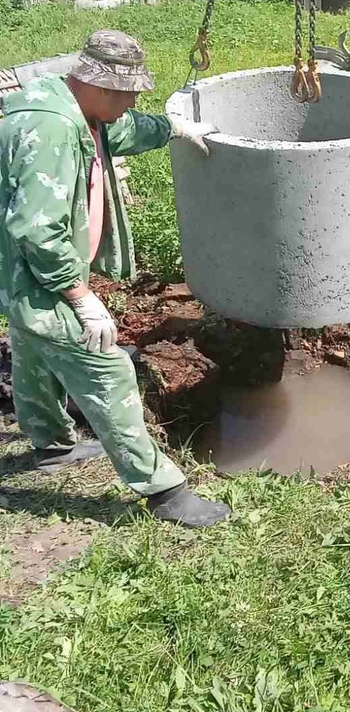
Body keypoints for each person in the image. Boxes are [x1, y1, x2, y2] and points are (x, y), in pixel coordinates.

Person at [0, 29, 229, 528]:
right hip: (39, 273)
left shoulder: (68, 103)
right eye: (128, 94)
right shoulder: (52, 132)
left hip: (17, 275)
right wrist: (80, 296)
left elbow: (119, 133)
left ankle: (52, 446)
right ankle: (165, 492)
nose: (131, 103)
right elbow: (38, 231)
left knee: (34, 352)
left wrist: (171, 128)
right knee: (108, 373)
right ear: (100, 86)